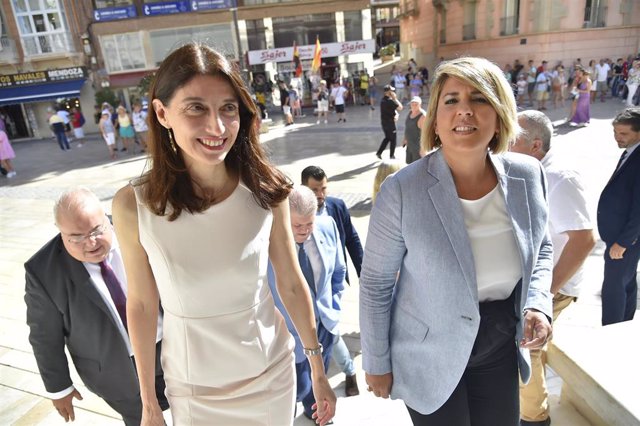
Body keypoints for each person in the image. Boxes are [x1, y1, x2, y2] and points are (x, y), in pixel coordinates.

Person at [111, 43, 336, 426]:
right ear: (162, 113)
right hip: (193, 387)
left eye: (227, 108)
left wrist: (317, 368)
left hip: (269, 374)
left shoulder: (268, 189)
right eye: (196, 108)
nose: (216, 128)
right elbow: (143, 306)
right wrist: (148, 401)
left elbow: (292, 284)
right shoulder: (133, 205)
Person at [360, 57, 553, 425]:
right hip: (427, 354)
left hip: (499, 342)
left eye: (479, 98)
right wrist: (376, 361)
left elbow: (541, 246)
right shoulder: (402, 190)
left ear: (499, 114)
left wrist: (538, 304)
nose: (464, 110)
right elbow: (376, 283)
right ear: (434, 117)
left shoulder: (528, 175)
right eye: (451, 100)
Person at [24, 188, 168, 425]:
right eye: (76, 237)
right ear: (61, 233)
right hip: (115, 367)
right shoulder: (43, 272)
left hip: (170, 345)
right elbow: (44, 336)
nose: (90, 243)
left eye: (96, 230)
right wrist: (59, 388)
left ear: (107, 218)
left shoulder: (137, 229)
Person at [510, 111, 596, 426]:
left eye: (510, 140)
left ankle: (534, 420)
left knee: (524, 350)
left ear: (535, 145)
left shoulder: (559, 177)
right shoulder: (527, 170)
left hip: (551, 288)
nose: (502, 146)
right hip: (533, 283)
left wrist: (544, 293)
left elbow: (584, 240)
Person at [268, 185, 346, 421]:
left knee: (319, 388)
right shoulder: (268, 243)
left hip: (324, 326)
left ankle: (320, 416)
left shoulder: (328, 225)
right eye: (297, 225)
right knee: (292, 394)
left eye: (309, 224)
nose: (304, 231)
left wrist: (333, 305)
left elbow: (339, 271)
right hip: (289, 335)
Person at [301, 165, 364, 397]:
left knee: (332, 332)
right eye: (315, 189)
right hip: (304, 287)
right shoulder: (294, 209)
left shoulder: (336, 207)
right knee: (313, 336)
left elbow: (353, 240)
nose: (320, 194)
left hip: (329, 285)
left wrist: (364, 272)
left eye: (323, 188)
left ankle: (349, 372)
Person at [597, 107, 640, 326]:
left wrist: (623, 242)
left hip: (623, 240)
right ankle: (624, 325)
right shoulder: (631, 151)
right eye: (615, 132)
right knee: (627, 283)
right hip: (622, 238)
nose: (617, 138)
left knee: (614, 289)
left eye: (623, 134)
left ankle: (612, 332)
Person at [376, 85, 403, 160]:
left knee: (387, 138)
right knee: (393, 139)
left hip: (384, 123)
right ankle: (392, 156)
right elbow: (400, 107)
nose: (393, 92)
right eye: (392, 91)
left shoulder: (383, 100)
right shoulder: (390, 101)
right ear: (388, 92)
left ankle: (379, 153)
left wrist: (396, 115)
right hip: (390, 124)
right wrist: (395, 98)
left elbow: (392, 110)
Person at [402, 96, 426, 164]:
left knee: (417, 167)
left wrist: (423, 149)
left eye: (416, 104)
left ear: (420, 104)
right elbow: (407, 127)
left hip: (417, 147)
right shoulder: (410, 112)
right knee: (409, 165)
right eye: (412, 103)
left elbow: (425, 134)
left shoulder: (423, 116)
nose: (414, 105)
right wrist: (405, 138)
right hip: (410, 145)